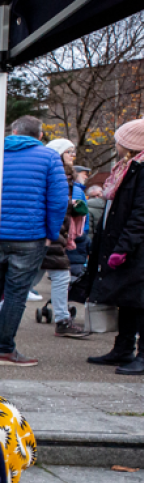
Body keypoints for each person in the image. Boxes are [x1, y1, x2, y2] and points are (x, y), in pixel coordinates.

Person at [0, 115, 68, 367]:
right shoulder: (49, 158)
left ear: (13, 131)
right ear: (39, 136)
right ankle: (3, 348)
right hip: (30, 234)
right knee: (15, 294)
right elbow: (58, 201)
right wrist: (51, 233)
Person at [87, 119, 144, 374]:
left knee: (140, 301)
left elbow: (141, 214)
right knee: (128, 300)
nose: (117, 145)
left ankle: (141, 355)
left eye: (120, 140)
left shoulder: (140, 170)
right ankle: (122, 348)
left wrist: (123, 247)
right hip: (127, 245)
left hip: (136, 248)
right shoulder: (128, 168)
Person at [38, 138, 89, 338]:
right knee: (59, 275)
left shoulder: (60, 174)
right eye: (69, 152)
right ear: (59, 153)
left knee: (28, 278)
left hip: (55, 232)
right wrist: (71, 204)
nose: (73, 156)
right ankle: (62, 319)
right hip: (52, 233)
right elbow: (53, 202)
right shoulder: (57, 174)